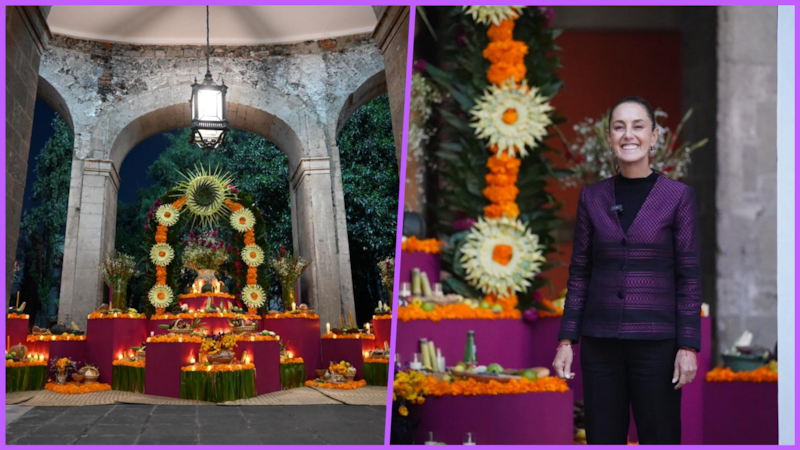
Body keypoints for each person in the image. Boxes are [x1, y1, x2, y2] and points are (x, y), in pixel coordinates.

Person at [552, 96, 701, 445]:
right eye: (619, 127)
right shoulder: (592, 197)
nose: (628, 134)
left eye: (638, 126)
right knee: (603, 438)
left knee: (659, 436)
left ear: (654, 136)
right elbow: (580, 272)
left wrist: (688, 346)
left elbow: (689, 277)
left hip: (658, 344)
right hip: (600, 344)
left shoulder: (678, 197)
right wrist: (566, 340)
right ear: (609, 137)